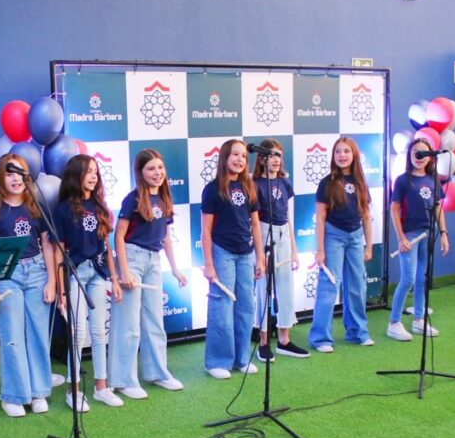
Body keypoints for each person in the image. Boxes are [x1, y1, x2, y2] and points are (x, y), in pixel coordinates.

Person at [108, 149, 188, 398]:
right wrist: (123, 271)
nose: (157, 173)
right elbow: (119, 236)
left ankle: (158, 373)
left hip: (154, 261)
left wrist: (174, 268)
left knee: (155, 321)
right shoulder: (132, 199)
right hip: (131, 258)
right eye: (151, 168)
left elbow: (166, 237)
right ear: (140, 173)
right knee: (128, 324)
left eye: (160, 168)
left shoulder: (164, 198)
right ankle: (124, 380)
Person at [0, 153, 57, 417]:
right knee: (11, 335)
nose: (16, 179)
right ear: (0, 177)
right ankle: (14, 395)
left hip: (36, 272)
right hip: (7, 274)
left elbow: (48, 245)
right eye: (9, 173)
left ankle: (38, 392)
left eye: (20, 173)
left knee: (37, 333)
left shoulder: (36, 206)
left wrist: (52, 281)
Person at [51, 154, 123, 410]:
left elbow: (107, 246)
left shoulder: (100, 206)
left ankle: (101, 387)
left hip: (99, 273)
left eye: (95, 171)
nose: (93, 176)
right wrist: (61, 291)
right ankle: (74, 390)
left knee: (99, 331)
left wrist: (114, 279)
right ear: (75, 175)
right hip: (75, 274)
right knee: (78, 332)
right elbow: (59, 251)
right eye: (88, 171)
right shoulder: (62, 210)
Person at [201, 139, 265, 378]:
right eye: (235, 155)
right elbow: (206, 230)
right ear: (225, 157)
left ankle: (241, 358)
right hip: (222, 253)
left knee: (246, 307)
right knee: (222, 306)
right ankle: (216, 362)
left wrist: (260, 258)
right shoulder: (213, 189)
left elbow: (255, 225)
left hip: (246, 254)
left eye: (243, 156)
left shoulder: (249, 187)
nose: (239, 160)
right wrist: (209, 264)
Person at [309, 136, 375, 353]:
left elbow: (366, 215)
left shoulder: (360, 182)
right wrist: (320, 250)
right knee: (329, 287)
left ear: (353, 155)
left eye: (346, 151)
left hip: (355, 238)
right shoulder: (327, 183)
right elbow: (320, 218)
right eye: (338, 151)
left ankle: (358, 333)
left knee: (357, 287)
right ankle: (321, 338)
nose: (342, 155)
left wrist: (368, 246)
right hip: (333, 237)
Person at [386, 138, 450, 341]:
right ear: (410, 155)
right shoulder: (403, 180)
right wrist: (401, 238)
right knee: (408, 279)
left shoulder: (433, 180)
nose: (419, 157)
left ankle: (419, 319)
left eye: (424, 153)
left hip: (428, 233)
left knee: (422, 278)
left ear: (430, 157)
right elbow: (394, 210)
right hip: (410, 234)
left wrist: (444, 234)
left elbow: (438, 207)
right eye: (416, 152)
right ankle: (394, 323)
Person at [251, 138, 308, 362]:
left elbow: (288, 216)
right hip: (265, 233)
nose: (275, 159)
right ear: (261, 158)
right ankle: (264, 342)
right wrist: (259, 254)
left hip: (283, 233)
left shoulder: (284, 182)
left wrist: (294, 249)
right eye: (271, 155)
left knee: (285, 287)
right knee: (264, 289)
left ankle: (284, 339)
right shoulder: (255, 184)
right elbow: (253, 222)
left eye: (278, 155)